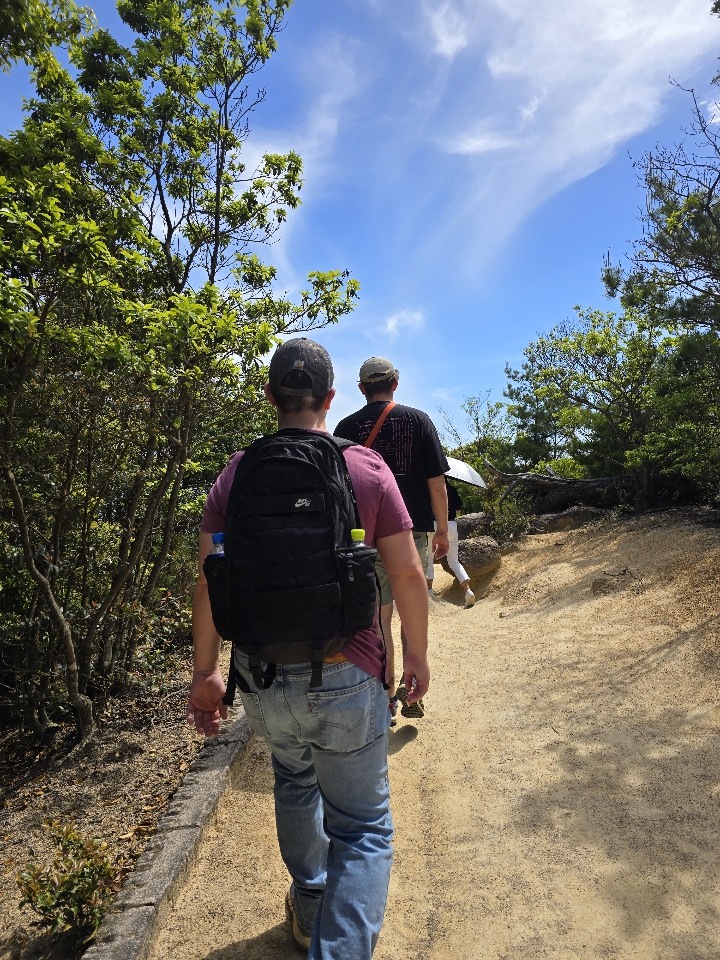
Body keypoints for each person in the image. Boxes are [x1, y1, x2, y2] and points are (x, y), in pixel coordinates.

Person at [186, 338, 430, 959]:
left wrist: (205, 672)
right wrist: (416, 656)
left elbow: (209, 578)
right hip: (349, 668)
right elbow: (406, 574)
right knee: (363, 827)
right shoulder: (365, 468)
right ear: (330, 397)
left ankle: (311, 902)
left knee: (294, 779)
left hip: (262, 675)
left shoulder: (237, 471)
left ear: (270, 396)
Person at [333, 357, 449, 720]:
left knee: (379, 615)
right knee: (411, 607)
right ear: (395, 383)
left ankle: (385, 695)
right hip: (411, 530)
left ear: (361, 388)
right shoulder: (418, 420)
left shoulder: (345, 427)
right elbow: (436, 482)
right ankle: (412, 693)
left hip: (363, 535)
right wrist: (442, 530)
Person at [426, 477, 475, 607]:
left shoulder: (429, 489)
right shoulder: (452, 489)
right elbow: (458, 510)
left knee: (429, 558)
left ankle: (429, 590)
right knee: (453, 560)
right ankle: (467, 590)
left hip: (433, 525)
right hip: (451, 525)